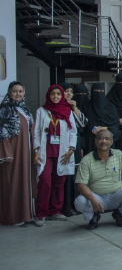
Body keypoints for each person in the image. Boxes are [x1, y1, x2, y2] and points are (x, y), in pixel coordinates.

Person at [74, 129, 122, 230]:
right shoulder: (86, 160)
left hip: (116, 195)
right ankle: (93, 216)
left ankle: (119, 214)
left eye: (107, 139)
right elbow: (81, 184)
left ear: (111, 142)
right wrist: (92, 199)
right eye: (100, 138)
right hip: (97, 197)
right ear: (96, 141)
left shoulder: (118, 154)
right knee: (79, 202)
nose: (104, 141)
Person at [32, 85, 78, 226]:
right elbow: (36, 132)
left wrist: (71, 149)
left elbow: (73, 132)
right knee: (45, 181)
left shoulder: (67, 111)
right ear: (49, 95)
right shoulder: (41, 111)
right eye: (53, 94)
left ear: (62, 95)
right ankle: (41, 214)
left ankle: (55, 211)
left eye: (58, 94)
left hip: (63, 151)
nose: (56, 96)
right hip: (45, 151)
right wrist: (35, 151)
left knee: (59, 182)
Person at [0, 82, 35, 227]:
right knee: (12, 182)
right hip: (13, 151)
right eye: (15, 91)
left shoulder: (25, 109)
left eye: (20, 91)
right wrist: (6, 152)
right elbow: (1, 132)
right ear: (9, 92)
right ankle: (12, 217)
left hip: (26, 150)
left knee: (25, 181)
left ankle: (25, 214)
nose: (18, 94)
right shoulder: (5, 109)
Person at [61, 82, 87, 216]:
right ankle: (64, 206)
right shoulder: (56, 108)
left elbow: (83, 123)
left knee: (74, 175)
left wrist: (75, 108)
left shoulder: (73, 108)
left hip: (74, 146)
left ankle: (74, 205)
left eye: (71, 91)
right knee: (63, 176)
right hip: (61, 146)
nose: (69, 94)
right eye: (66, 91)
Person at [82, 83, 121, 156]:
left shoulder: (110, 108)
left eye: (101, 91)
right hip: (90, 142)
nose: (98, 94)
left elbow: (116, 128)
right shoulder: (86, 107)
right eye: (96, 91)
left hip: (107, 142)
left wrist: (102, 128)